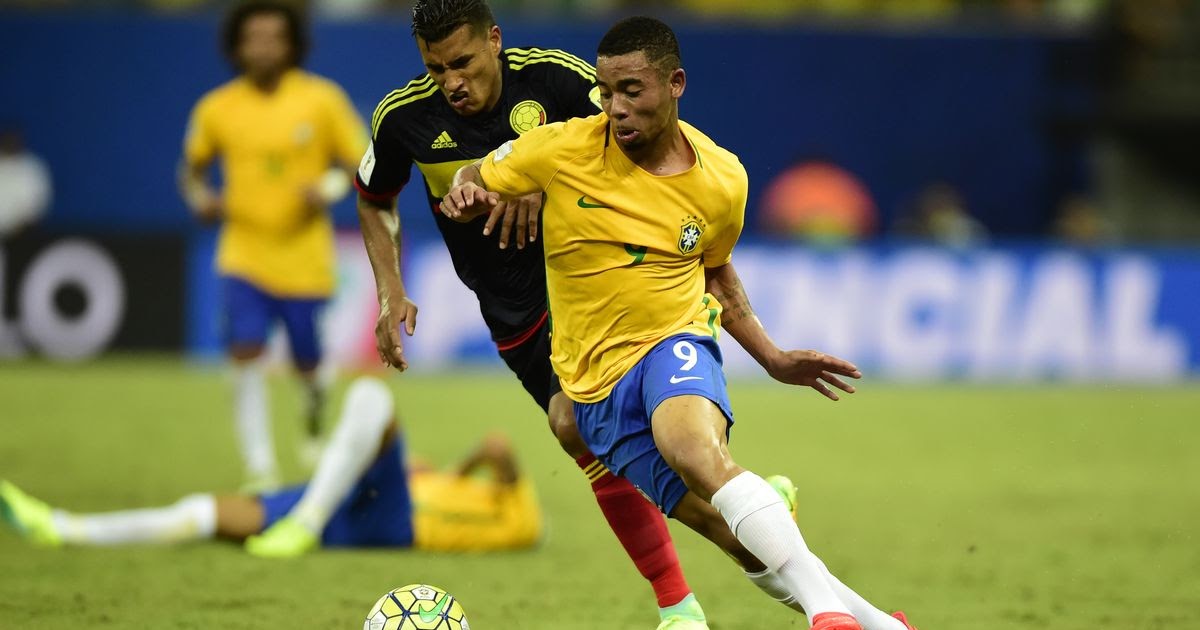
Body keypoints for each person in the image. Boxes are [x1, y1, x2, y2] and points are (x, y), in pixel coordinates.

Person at [442, 16, 919, 630]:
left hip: (674, 339)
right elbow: (473, 174)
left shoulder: (723, 180)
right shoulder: (559, 149)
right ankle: (882, 624)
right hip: (593, 383)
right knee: (733, 533)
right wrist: (464, 191)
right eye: (606, 92)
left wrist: (771, 356)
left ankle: (826, 616)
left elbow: (716, 272)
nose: (616, 107)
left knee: (693, 451)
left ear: (675, 84)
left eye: (631, 90)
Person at [353, 2, 710, 628]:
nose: (452, 82)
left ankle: (680, 604)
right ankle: (743, 508)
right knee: (586, 437)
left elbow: (636, 146)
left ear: (494, 40)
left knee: (586, 424)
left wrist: (542, 182)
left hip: (598, 285)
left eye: (463, 62)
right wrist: (390, 290)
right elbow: (373, 197)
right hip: (514, 313)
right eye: (437, 69)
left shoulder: (557, 80)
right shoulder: (403, 117)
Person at [0, 377, 542, 555]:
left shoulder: (521, 519)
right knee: (205, 514)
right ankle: (61, 527)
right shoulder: (479, 496)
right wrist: (450, 472)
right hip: (350, 506)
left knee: (373, 396)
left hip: (397, 523)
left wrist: (467, 465)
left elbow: (498, 447)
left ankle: (306, 520)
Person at [179, 0, 368, 491]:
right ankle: (260, 467)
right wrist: (200, 199)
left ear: (292, 44)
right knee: (244, 351)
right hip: (243, 252)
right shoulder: (217, 108)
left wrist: (327, 188)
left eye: (274, 37)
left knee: (308, 361)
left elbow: (361, 160)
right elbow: (192, 171)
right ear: (237, 45)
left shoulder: (321, 100)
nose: (263, 47)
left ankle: (314, 412)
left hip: (304, 255)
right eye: (253, 38)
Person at [0, 126, 52, 239]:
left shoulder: (32, 166)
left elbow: (39, 200)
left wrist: (23, 223)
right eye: (7, 140)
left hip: (23, 232)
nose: (11, 144)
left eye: (13, 141)